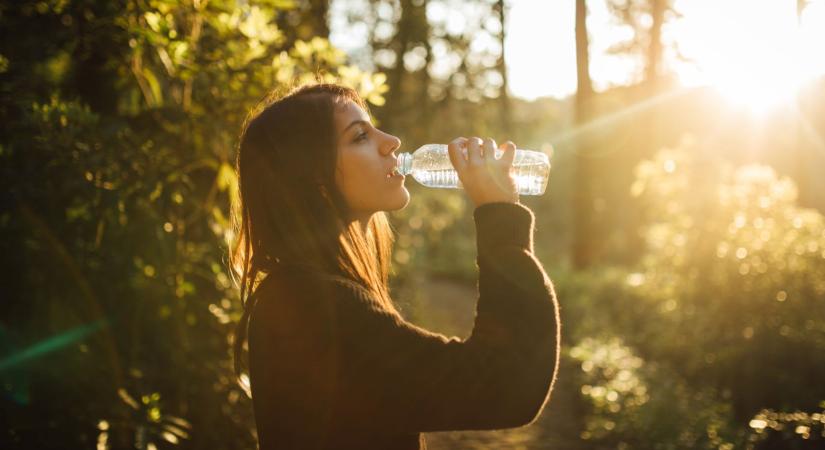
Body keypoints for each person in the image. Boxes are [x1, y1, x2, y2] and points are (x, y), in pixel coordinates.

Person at [229, 83, 560, 450]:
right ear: (314, 179)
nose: (392, 142)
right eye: (360, 137)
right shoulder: (317, 307)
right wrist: (499, 218)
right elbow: (506, 383)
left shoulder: (303, 293)